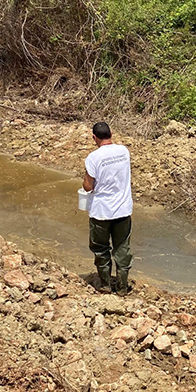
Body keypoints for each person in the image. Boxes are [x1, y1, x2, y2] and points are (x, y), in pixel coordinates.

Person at [83, 122, 133, 292]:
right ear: (111, 133)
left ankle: (105, 285)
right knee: (122, 248)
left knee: (100, 248)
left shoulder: (93, 158)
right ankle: (122, 287)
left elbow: (88, 186)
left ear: (94, 137)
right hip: (123, 210)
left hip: (101, 212)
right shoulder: (124, 151)